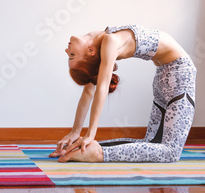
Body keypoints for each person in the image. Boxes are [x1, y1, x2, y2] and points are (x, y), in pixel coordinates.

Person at [49, 24, 197, 163]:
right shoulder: (110, 41)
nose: (66, 51)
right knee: (171, 152)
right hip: (180, 76)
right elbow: (96, 89)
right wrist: (80, 133)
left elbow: (92, 90)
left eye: (71, 55)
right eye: (72, 55)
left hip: (165, 78)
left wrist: (84, 134)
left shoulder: (106, 40)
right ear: (90, 51)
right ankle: (99, 153)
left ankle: (92, 149)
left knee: (153, 143)